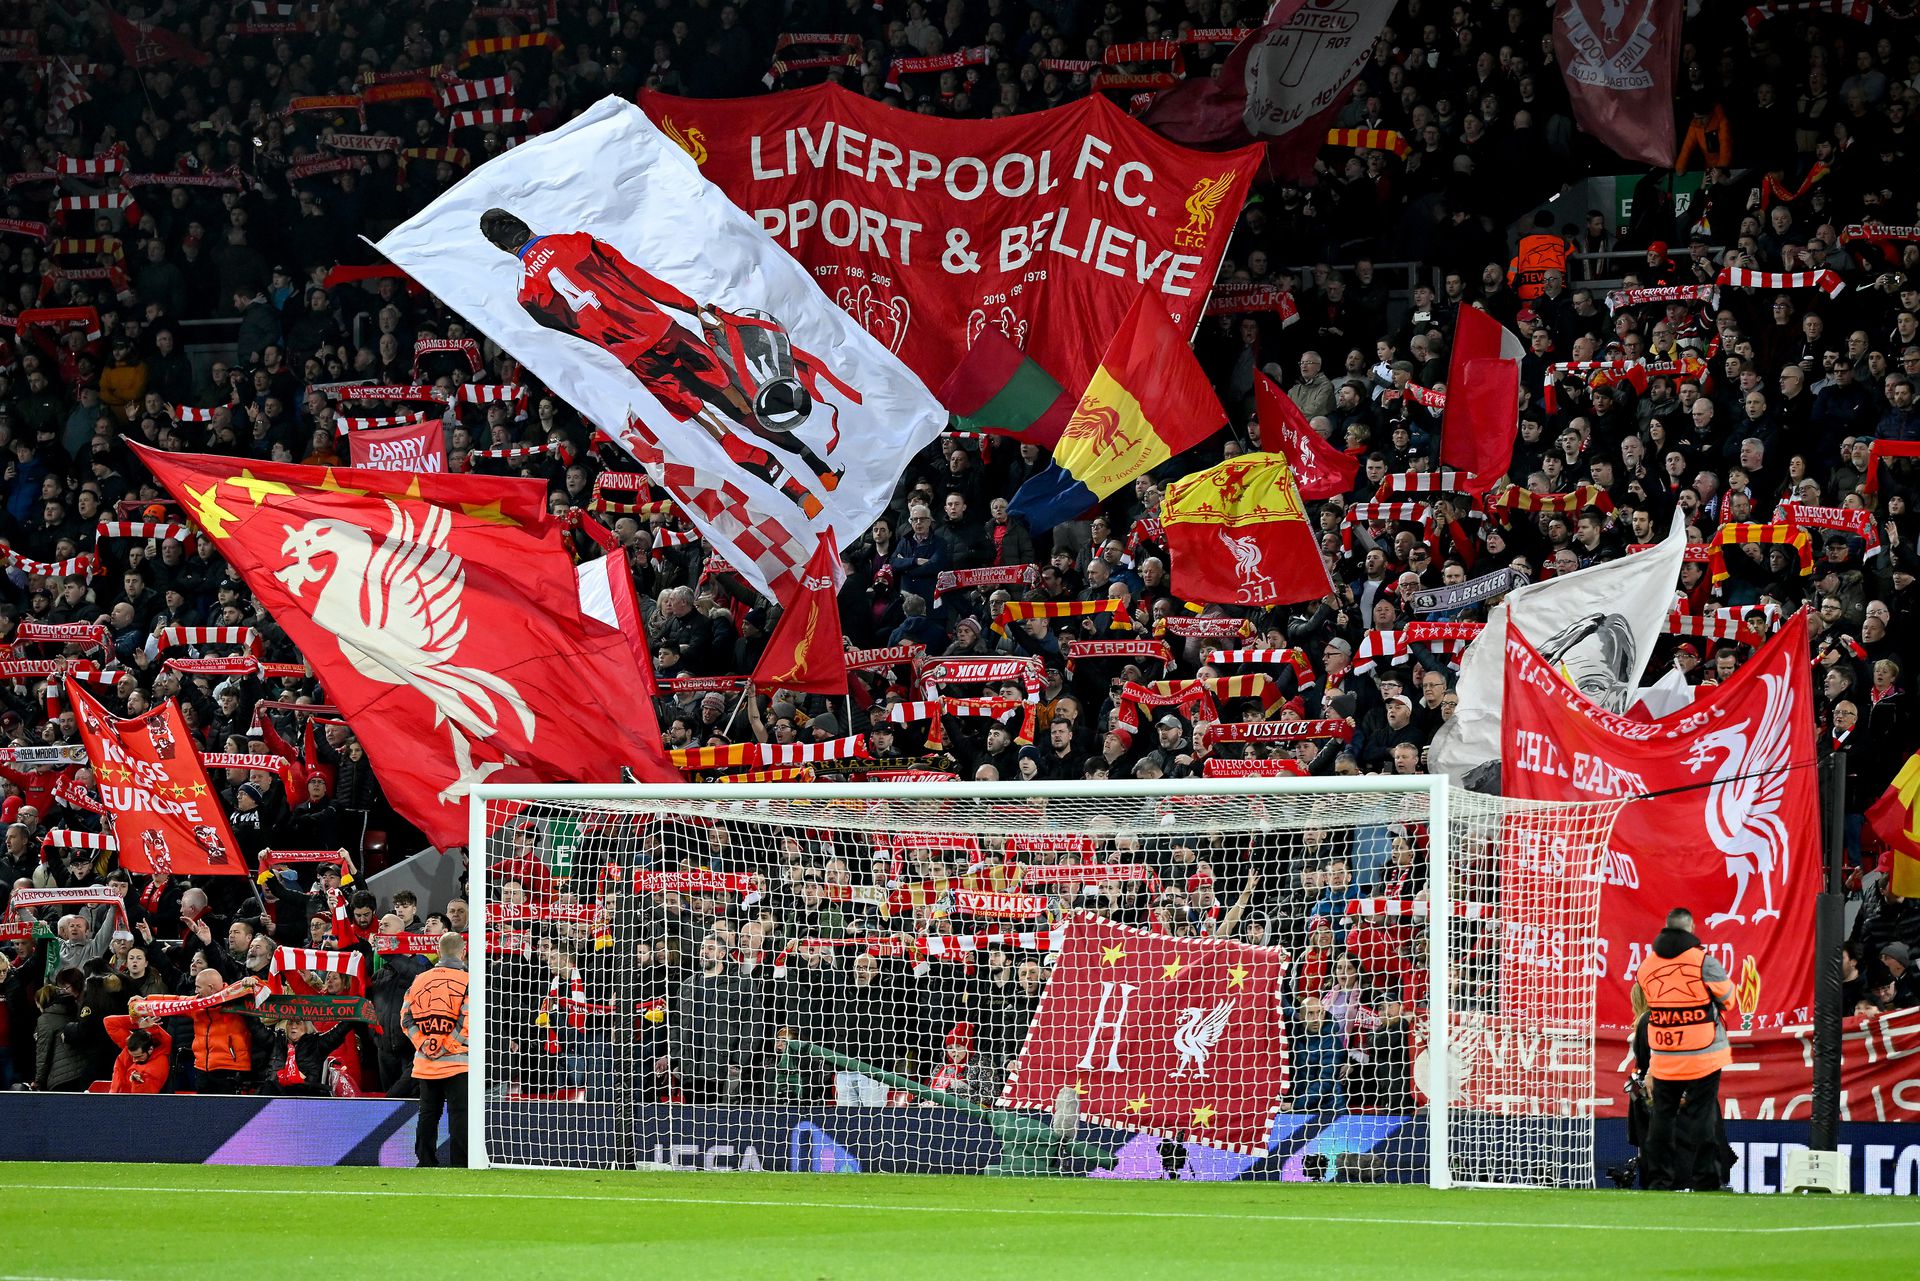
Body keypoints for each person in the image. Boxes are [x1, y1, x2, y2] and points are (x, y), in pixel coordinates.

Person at [1633, 907, 1735, 1191]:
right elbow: (1729, 999)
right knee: (1703, 1116)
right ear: (1690, 929)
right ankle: (1706, 1180)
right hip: (1703, 1053)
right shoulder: (1704, 961)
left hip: (1665, 1053)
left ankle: (1659, 1181)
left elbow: (1653, 1005)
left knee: (1662, 1119)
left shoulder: (1646, 966)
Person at [402, 931, 471, 1168]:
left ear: (439, 951)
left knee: (428, 1114)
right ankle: (462, 1164)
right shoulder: (468, 980)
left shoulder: (419, 980)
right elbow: (468, 1019)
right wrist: (447, 1046)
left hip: (425, 1062)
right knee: (460, 1114)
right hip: (457, 1061)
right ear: (463, 951)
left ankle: (425, 1162)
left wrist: (424, 1043)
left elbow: (405, 1018)